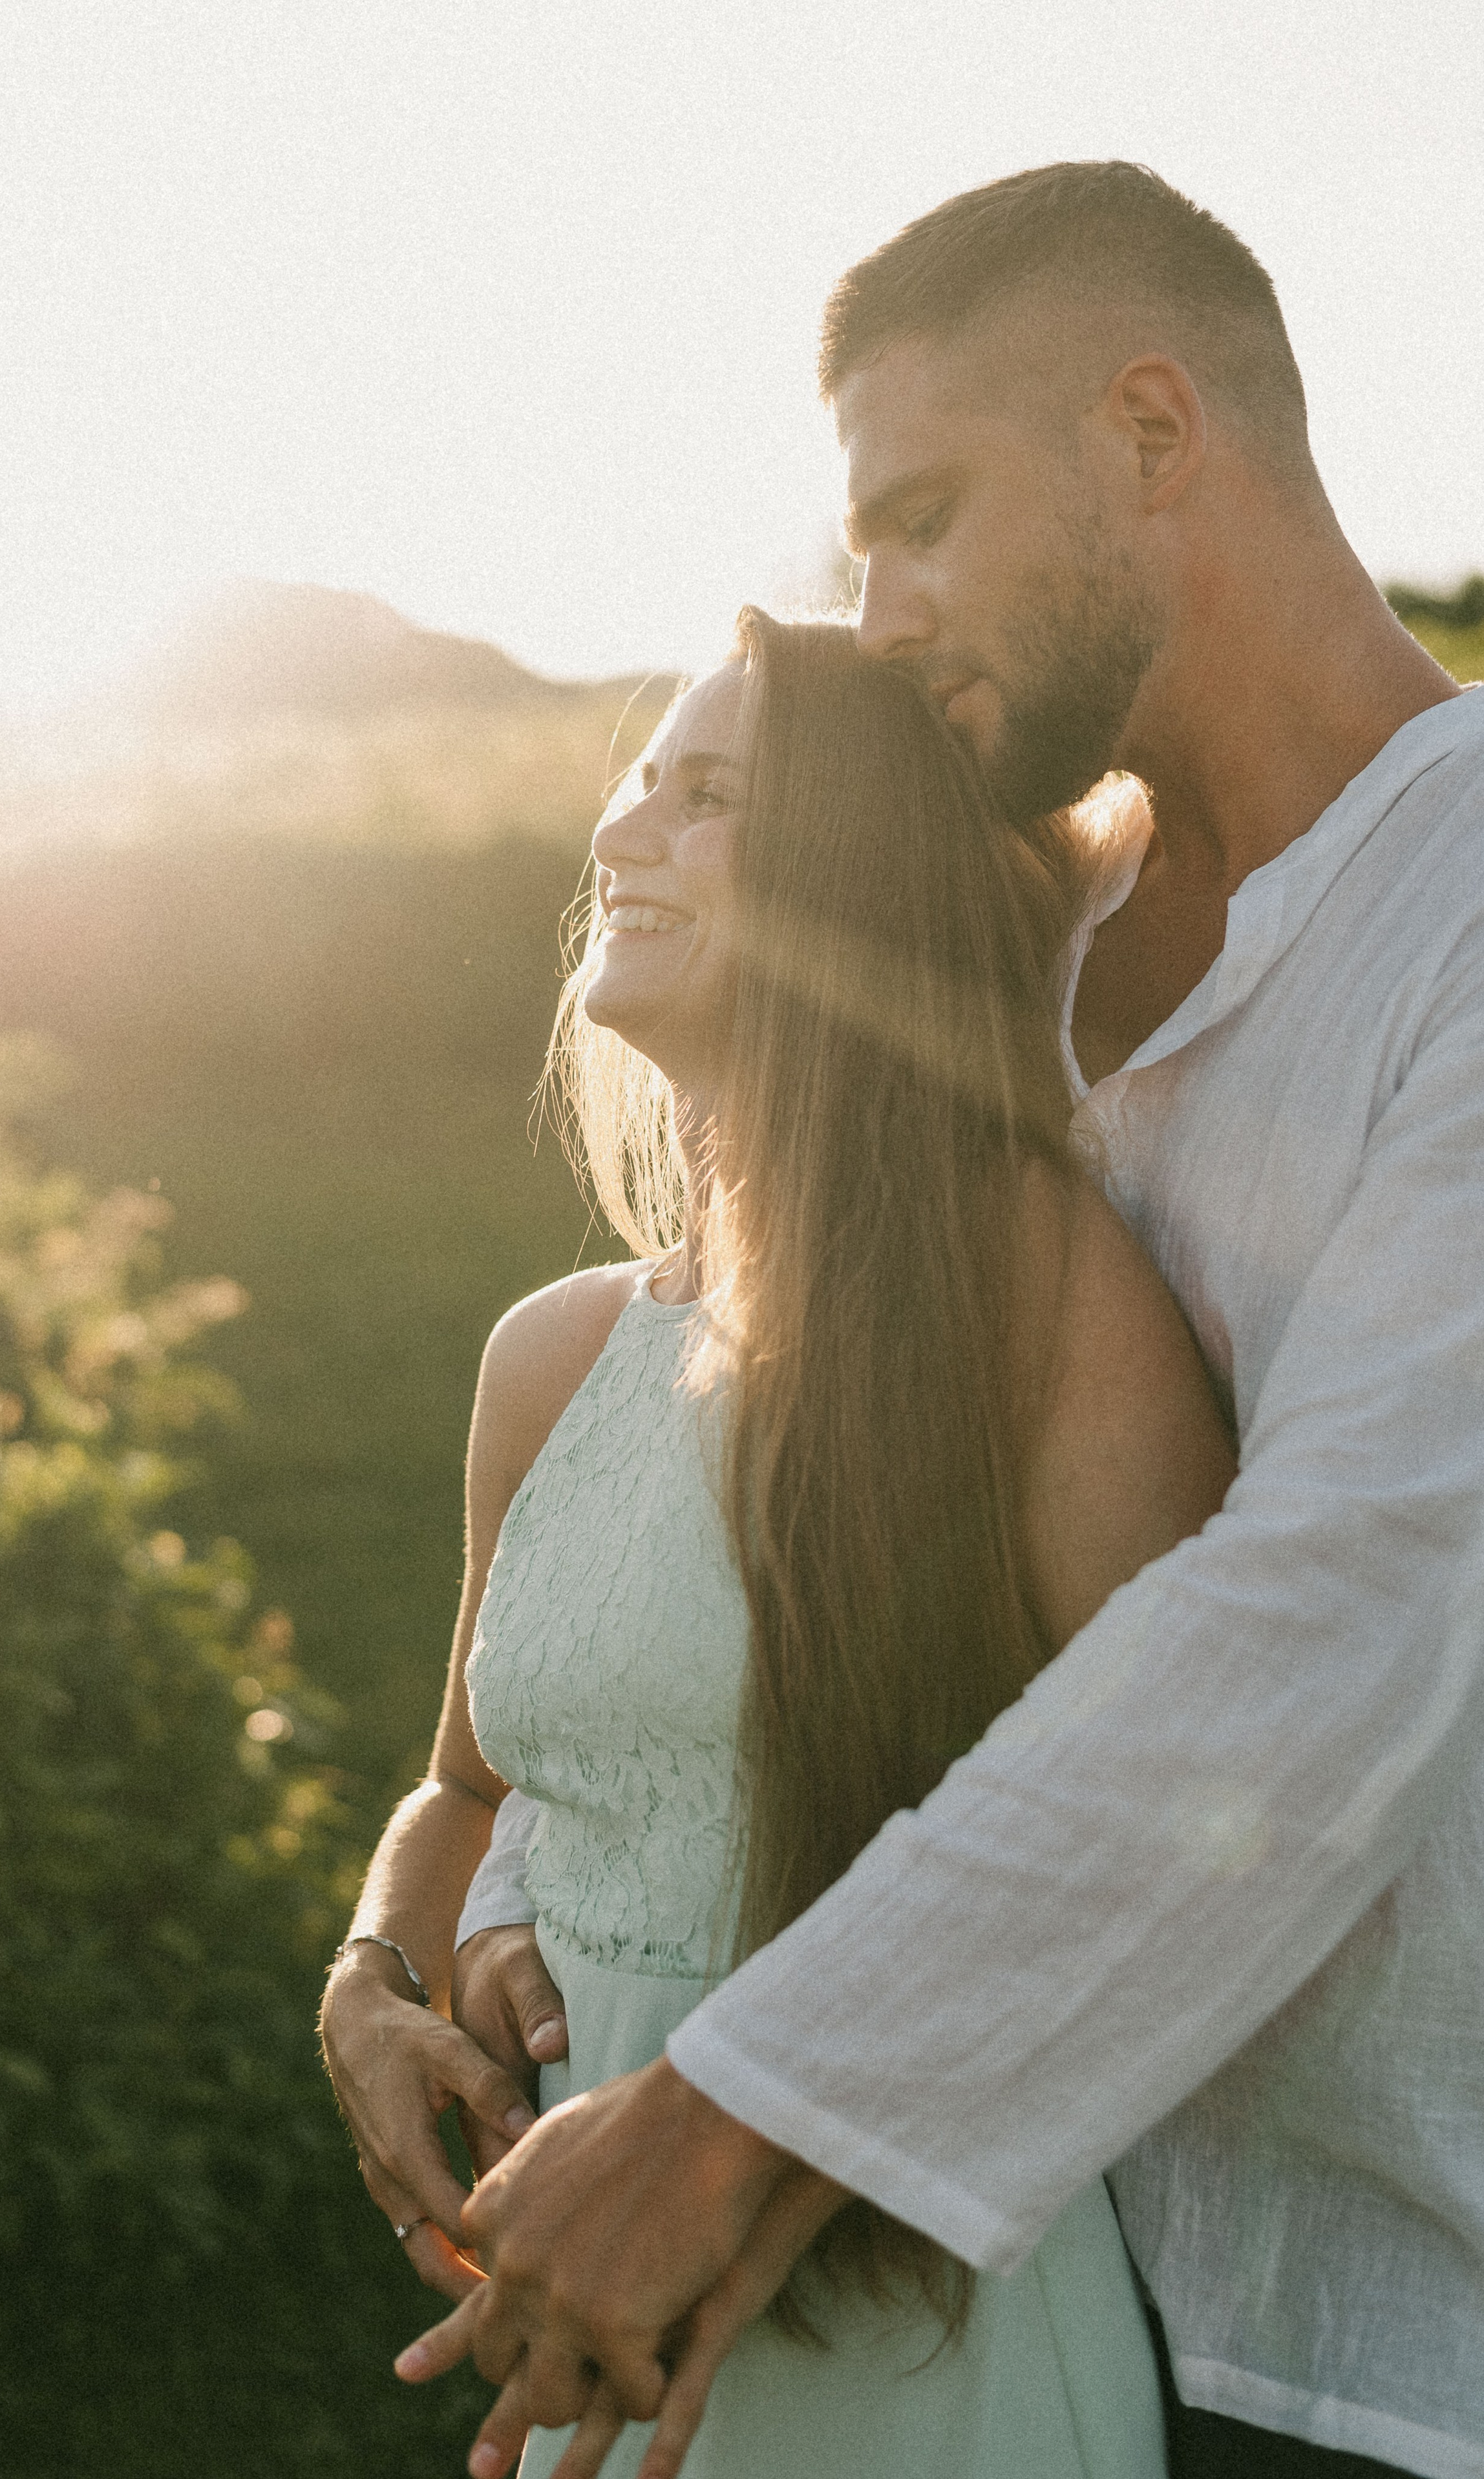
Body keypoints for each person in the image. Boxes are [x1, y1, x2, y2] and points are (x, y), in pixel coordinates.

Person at [389, 164, 1484, 2479]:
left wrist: (732, 2111)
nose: (876, 618)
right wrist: (428, 1932)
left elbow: (1340, 1605)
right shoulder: (1043, 946)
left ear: (1154, 427)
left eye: (921, 518)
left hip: (1386, 2332)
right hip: (1027, 2251)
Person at [321, 606, 1235, 2476]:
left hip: (923, 2339)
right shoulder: (552, 1354)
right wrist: (371, 1981)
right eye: (634, 789)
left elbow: (1191, 1855)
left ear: (863, 877)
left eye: (710, 796)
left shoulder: (1037, 1295)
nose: (619, 836)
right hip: (588, 2337)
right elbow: (465, 1791)